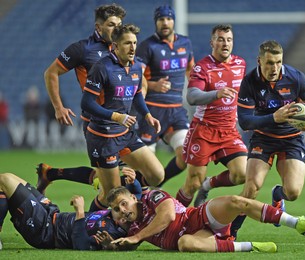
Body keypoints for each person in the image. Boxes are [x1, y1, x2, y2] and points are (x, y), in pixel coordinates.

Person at [235, 40, 305, 238]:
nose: (274, 68)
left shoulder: (296, 78)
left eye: (277, 62)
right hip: (263, 139)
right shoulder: (249, 82)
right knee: (251, 189)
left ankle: (278, 194)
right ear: (259, 61)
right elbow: (245, 122)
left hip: (291, 139)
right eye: (269, 63)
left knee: (292, 192)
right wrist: (274, 118)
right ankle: (230, 232)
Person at [80, 24, 164, 212]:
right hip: (103, 137)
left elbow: (136, 94)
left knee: (157, 175)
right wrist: (116, 116)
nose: (133, 47)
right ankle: (89, 224)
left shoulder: (136, 67)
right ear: (116, 46)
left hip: (125, 134)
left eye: (134, 42)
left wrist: (147, 115)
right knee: (113, 196)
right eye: (127, 43)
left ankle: (135, 189)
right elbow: (86, 103)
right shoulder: (102, 68)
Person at [104, 186, 305, 253]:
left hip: (197, 217)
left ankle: (295, 222)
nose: (122, 210)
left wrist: (138, 237)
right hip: (198, 237)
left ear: (133, 198)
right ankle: (249, 246)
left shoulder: (151, 196)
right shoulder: (130, 230)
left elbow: (168, 215)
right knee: (184, 244)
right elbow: (126, 246)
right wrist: (110, 246)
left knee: (237, 201)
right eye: (116, 209)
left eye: (123, 203)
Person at [175, 24, 248, 208]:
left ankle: (209, 184)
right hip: (204, 131)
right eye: (221, 39)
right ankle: (174, 220)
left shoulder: (240, 64)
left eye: (229, 40)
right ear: (212, 42)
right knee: (192, 183)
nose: (225, 43)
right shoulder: (202, 67)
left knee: (243, 173)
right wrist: (216, 93)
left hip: (229, 131)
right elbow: (192, 97)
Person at [135, 5, 195, 187]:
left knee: (185, 156)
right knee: (145, 167)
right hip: (151, 111)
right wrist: (153, 84)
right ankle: (136, 198)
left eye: (168, 19)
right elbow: (136, 78)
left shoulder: (185, 44)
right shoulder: (146, 46)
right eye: (161, 19)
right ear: (156, 22)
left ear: (173, 21)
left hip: (176, 111)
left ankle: (157, 185)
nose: (165, 23)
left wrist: (200, 94)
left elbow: (191, 72)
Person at [44, 3, 126, 127]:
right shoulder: (82, 49)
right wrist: (58, 108)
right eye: (111, 25)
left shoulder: (123, 48)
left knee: (146, 147)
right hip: (99, 121)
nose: (117, 30)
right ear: (98, 27)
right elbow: (51, 73)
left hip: (122, 117)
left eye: (119, 25)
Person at [0, 172, 129, 250]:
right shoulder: (111, 215)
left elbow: (81, 245)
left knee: (4, 180)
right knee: (9, 178)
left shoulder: (110, 234)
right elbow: (95, 211)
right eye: (118, 207)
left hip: (46, 231)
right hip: (51, 213)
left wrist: (80, 211)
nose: (122, 211)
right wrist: (132, 181)